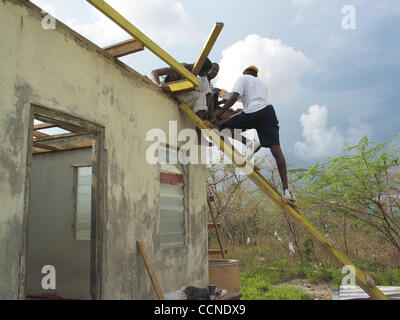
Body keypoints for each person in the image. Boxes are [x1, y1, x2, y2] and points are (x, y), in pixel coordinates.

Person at [210, 66, 296, 202]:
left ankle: (248, 144)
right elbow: (234, 97)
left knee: (223, 125)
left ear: (246, 72)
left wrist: (218, 115)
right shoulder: (261, 84)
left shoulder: (243, 78)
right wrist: (222, 96)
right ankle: (286, 191)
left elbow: (234, 96)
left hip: (252, 112)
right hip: (268, 112)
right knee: (276, 150)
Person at [151, 58, 213, 145]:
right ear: (202, 68)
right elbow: (154, 72)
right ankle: (198, 137)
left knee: (200, 96)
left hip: (179, 94)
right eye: (207, 71)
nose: (207, 74)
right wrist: (158, 86)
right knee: (201, 97)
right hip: (171, 92)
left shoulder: (194, 76)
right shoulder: (182, 67)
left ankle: (199, 135)